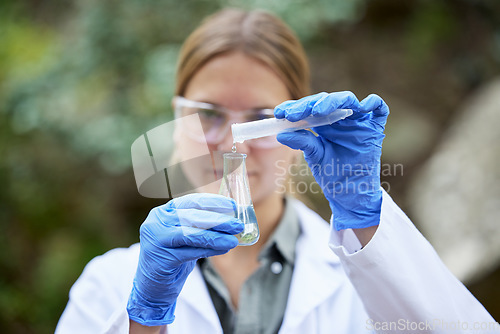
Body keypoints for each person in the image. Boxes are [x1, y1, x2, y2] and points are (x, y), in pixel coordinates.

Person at [56, 8, 496, 334]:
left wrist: (367, 223)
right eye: (207, 113)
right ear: (176, 122)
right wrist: (144, 321)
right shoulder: (108, 286)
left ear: (300, 128)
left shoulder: (365, 276)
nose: (232, 139)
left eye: (259, 118)